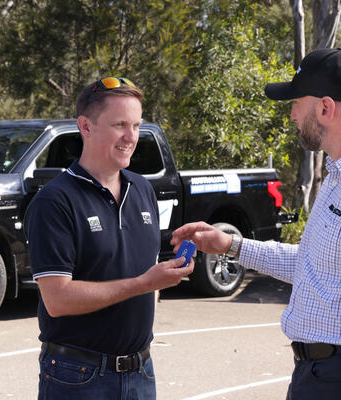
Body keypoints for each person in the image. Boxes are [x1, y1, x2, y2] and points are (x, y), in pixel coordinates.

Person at [170, 47, 341, 399]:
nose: (292, 114)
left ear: (326, 108)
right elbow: (311, 266)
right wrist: (229, 245)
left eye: (297, 101)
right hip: (315, 372)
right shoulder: (334, 178)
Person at [24, 77, 194, 400]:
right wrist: (144, 283)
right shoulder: (54, 201)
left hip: (141, 370)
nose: (132, 137)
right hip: (78, 377)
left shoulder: (142, 189)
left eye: (136, 125)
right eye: (119, 125)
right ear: (85, 126)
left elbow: (149, 268)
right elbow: (57, 300)